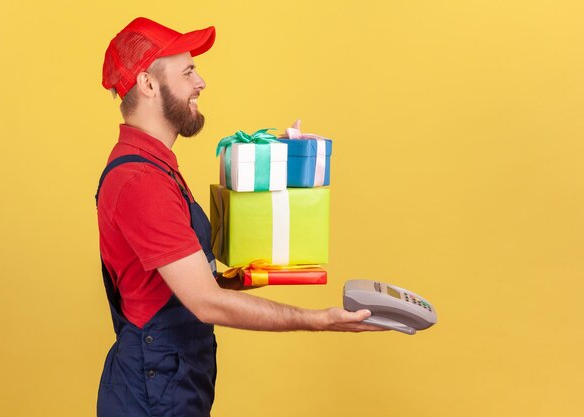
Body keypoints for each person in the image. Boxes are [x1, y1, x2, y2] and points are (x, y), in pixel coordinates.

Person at [96, 17, 383, 417]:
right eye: (188, 71)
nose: (201, 83)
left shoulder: (155, 167)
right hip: (151, 389)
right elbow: (205, 302)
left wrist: (278, 164)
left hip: (167, 380)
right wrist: (321, 320)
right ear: (147, 84)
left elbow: (189, 282)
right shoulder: (141, 180)